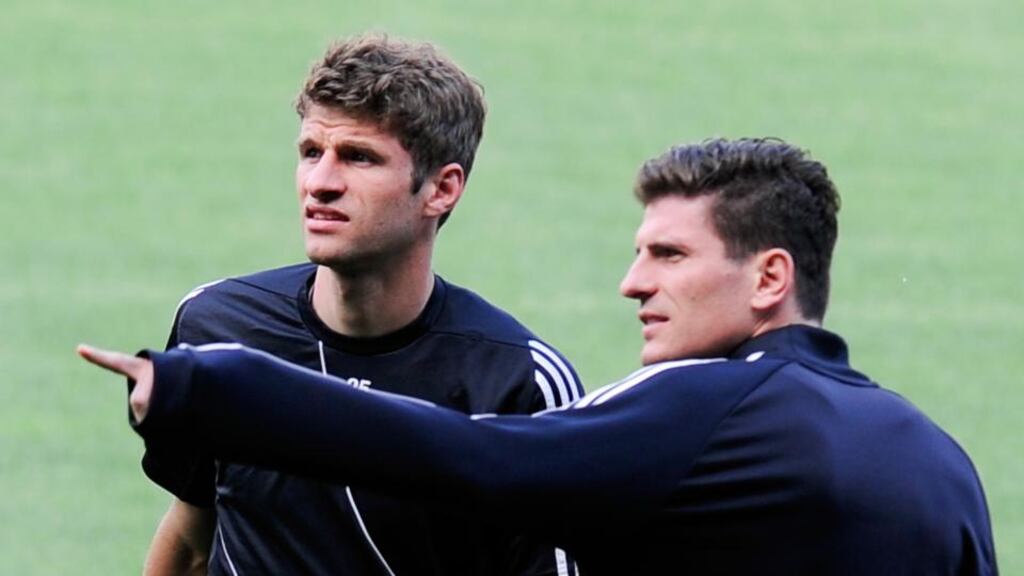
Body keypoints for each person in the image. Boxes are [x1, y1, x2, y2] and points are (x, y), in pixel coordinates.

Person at [81, 137, 998, 575]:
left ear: (769, 278)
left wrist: (212, 385)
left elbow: (473, 459)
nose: (633, 285)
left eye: (669, 256)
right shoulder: (934, 457)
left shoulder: (705, 408)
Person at [115, 34, 583, 576]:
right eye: (311, 152)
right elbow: (194, 535)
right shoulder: (216, 328)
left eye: (358, 158)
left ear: (442, 189)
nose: (319, 183)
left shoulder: (518, 381)